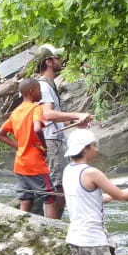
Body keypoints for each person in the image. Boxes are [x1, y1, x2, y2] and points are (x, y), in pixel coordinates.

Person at [35, 44, 93, 219]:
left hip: (57, 141)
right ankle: (53, 228)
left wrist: (75, 121)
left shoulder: (49, 85)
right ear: (49, 62)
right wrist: (77, 114)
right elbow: (47, 114)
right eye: (58, 57)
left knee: (62, 187)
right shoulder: (43, 86)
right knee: (56, 188)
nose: (62, 60)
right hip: (51, 142)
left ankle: (55, 226)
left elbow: (53, 117)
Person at [0, 78, 57, 218]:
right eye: (39, 90)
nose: (41, 93)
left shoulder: (16, 112)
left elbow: (0, 135)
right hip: (35, 163)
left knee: (26, 196)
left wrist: (19, 146)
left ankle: (20, 225)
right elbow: (37, 128)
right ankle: (53, 228)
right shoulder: (36, 108)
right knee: (50, 196)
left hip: (20, 163)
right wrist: (44, 146)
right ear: (31, 91)